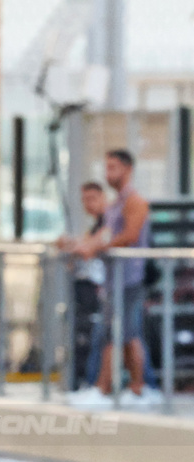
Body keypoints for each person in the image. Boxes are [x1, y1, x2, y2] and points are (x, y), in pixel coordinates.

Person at [73, 149, 160, 405]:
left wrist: (96, 247)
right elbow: (106, 234)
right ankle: (135, 387)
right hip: (114, 280)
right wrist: (81, 245)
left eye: (112, 167)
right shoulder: (115, 204)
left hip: (130, 278)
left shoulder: (135, 202)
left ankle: (110, 387)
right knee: (124, 335)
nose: (107, 173)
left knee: (118, 334)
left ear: (127, 169)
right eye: (106, 167)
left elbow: (129, 235)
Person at [58, 181, 108, 390]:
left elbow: (96, 243)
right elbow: (86, 242)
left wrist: (76, 246)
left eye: (92, 198)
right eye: (84, 200)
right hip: (87, 288)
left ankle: (95, 383)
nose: (88, 204)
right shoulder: (96, 224)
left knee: (102, 337)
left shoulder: (109, 221)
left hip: (99, 289)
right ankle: (88, 381)